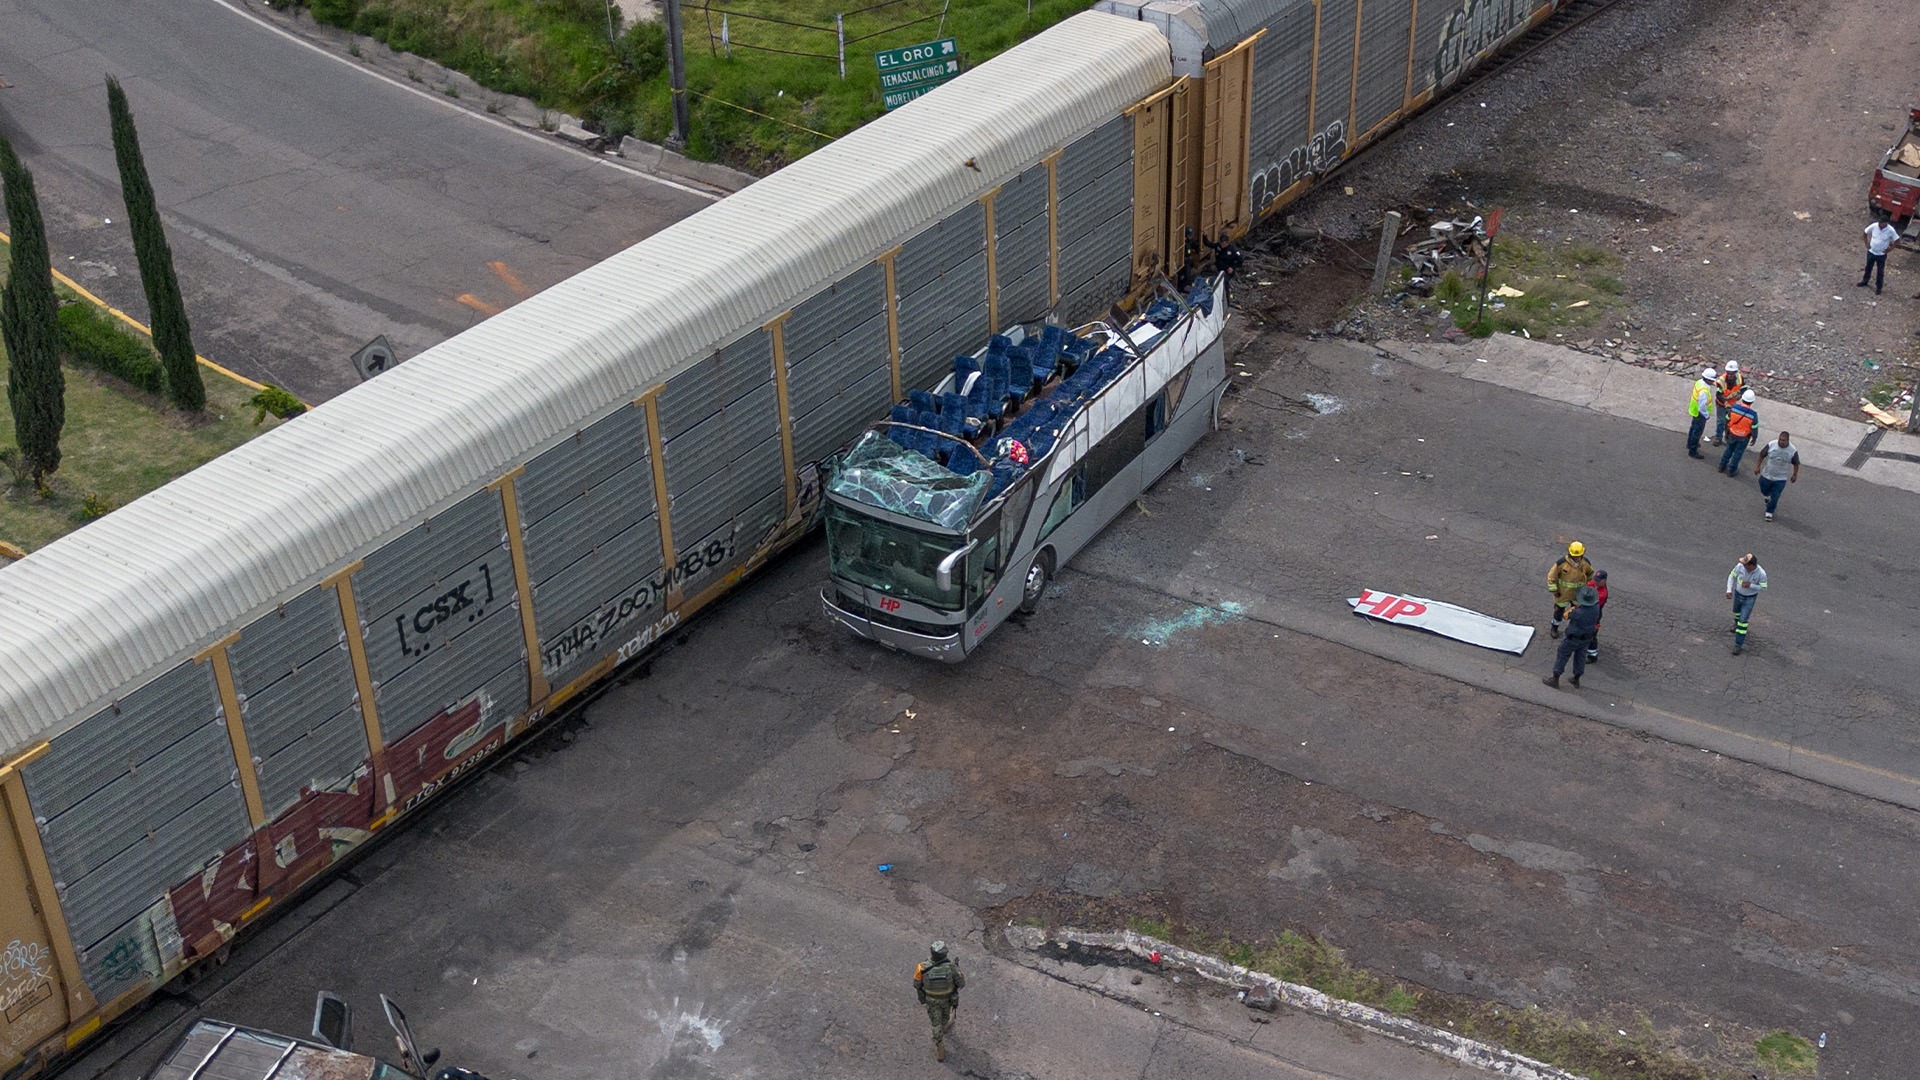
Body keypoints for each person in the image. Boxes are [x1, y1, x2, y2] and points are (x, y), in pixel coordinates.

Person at [914, 940, 966, 1061]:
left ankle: (940, 1046)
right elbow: (961, 983)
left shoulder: (921, 967)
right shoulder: (951, 967)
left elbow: (917, 984)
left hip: (931, 1000)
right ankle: (944, 1027)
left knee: (935, 1023)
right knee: (945, 1017)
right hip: (947, 999)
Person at [1543, 584, 1601, 688]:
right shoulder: (1596, 609)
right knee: (1580, 658)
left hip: (1573, 637)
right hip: (1586, 638)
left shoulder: (1577, 612)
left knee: (1563, 655)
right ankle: (1576, 679)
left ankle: (1555, 679)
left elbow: (1565, 616)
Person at [1545, 541, 1593, 640]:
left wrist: (1587, 588)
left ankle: (1572, 631)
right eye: (1575, 556)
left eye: (1579, 556)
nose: (1577, 558)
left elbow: (1590, 575)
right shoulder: (1561, 563)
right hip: (1563, 594)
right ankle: (1554, 628)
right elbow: (1551, 577)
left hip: (1578, 594)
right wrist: (1554, 590)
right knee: (1558, 612)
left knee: (1576, 614)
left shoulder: (1585, 564)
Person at [1753, 430, 1801, 522]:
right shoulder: (1772, 445)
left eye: (1783, 440)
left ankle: (1769, 511)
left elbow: (1796, 463)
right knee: (1763, 488)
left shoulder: (1792, 450)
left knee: (1775, 496)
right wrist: (1757, 467)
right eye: (1780, 439)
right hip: (1767, 474)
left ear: (1788, 440)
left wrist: (1795, 475)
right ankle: (1766, 496)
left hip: (1780, 478)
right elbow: (1761, 455)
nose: (1781, 442)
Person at [1726, 553, 1768, 655]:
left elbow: (1764, 587)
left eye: (1745, 564)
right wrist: (1729, 590)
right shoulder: (1740, 566)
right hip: (1738, 594)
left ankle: (1738, 645)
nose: (1743, 565)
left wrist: (1751, 586)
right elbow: (1732, 576)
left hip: (1750, 598)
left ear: (1752, 565)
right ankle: (1736, 624)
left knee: (1743, 621)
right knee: (1736, 612)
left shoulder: (1761, 574)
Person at [1718, 388, 1758, 475]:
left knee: (1729, 449)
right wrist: (1754, 438)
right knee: (1738, 453)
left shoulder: (1734, 408)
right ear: (1752, 402)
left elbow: (1727, 420)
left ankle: (1721, 466)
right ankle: (1731, 471)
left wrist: (1726, 431)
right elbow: (1754, 428)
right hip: (1743, 437)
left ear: (1742, 398)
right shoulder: (1753, 415)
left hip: (1732, 433)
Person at [1861, 211, 1901, 294]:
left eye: (1881, 223)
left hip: (1881, 255)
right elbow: (1865, 232)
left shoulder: (1890, 230)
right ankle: (1865, 281)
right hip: (1872, 252)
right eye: (1879, 222)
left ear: (1885, 223)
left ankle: (1879, 287)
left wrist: (1890, 249)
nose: (1879, 224)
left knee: (1880, 271)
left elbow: (1897, 240)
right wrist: (1866, 243)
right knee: (1868, 267)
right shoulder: (1874, 226)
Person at [1686, 366, 1717, 459]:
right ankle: (1693, 450)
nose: (1713, 382)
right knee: (1697, 432)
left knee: (1693, 428)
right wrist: (1706, 415)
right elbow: (1702, 406)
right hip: (1700, 413)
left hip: (1694, 410)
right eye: (1712, 380)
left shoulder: (1699, 382)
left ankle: (1689, 444)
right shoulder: (1704, 390)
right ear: (1707, 379)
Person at [1712, 361, 1745, 446]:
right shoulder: (1721, 381)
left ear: (1735, 372)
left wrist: (1740, 395)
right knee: (1721, 421)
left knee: (1729, 421)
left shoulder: (1740, 378)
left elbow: (1743, 387)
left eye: (1732, 373)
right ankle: (1718, 437)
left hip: (1732, 404)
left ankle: (1727, 437)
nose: (1730, 375)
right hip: (1721, 404)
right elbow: (1718, 395)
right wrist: (1725, 402)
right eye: (1728, 373)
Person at [1586, 569, 1609, 663]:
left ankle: (1592, 655)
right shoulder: (1594, 584)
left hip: (1595, 615)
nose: (1596, 582)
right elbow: (1586, 586)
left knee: (1592, 634)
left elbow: (1590, 601)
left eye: (1599, 580)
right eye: (1596, 579)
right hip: (1589, 612)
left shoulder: (1603, 593)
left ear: (1604, 581)